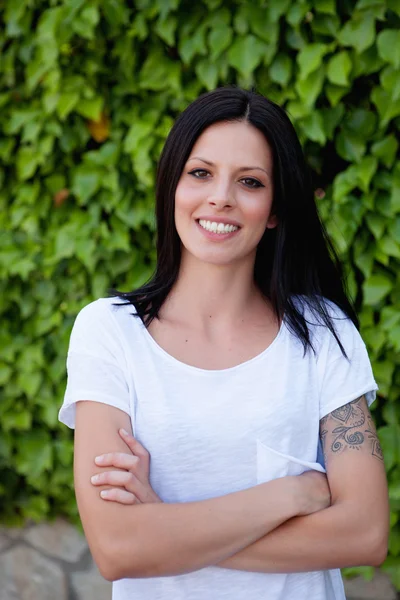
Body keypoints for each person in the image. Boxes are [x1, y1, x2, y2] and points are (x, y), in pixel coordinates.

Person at [59, 86, 389, 600]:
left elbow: (366, 533)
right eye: (200, 173)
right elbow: (119, 549)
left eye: (250, 182)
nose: (221, 197)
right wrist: (291, 494)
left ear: (275, 209)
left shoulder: (325, 335)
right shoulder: (109, 332)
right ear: (173, 186)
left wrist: (163, 528)